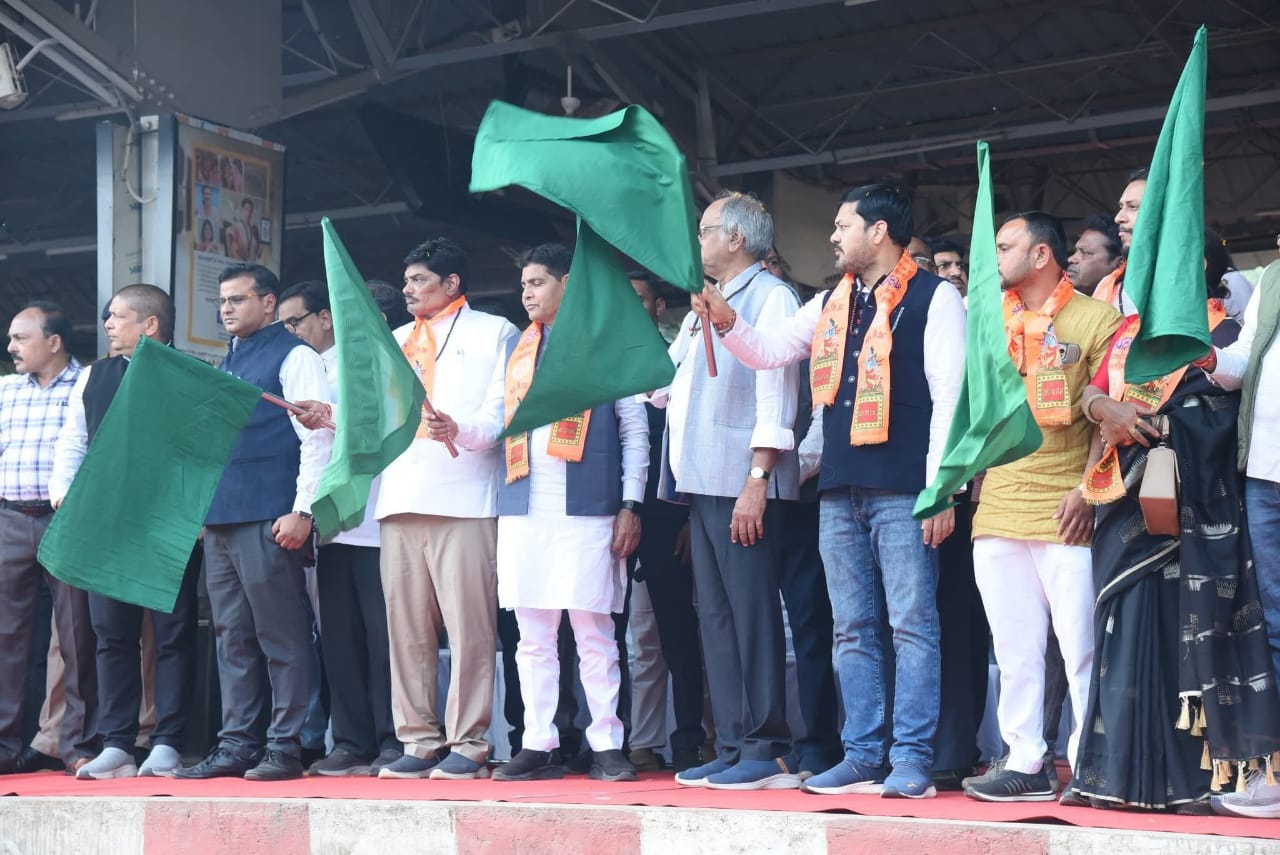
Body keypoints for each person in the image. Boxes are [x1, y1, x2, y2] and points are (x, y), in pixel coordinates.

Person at [695, 184, 965, 799]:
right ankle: (863, 754)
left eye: (844, 226)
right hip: (840, 488)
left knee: (912, 625)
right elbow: (769, 352)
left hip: (906, 488)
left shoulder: (937, 296)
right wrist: (726, 317)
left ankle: (912, 759)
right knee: (851, 627)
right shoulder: (830, 302)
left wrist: (943, 489)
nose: (834, 236)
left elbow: (950, 397)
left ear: (879, 231)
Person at [438, 242, 645, 783]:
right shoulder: (519, 350)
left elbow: (634, 430)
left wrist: (631, 503)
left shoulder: (607, 344)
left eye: (537, 282)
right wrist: (458, 429)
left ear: (567, 285)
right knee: (532, 636)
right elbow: (495, 424)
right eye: (524, 285)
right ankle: (538, 742)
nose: (526, 293)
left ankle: (607, 743)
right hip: (524, 505)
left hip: (590, 507)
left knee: (594, 632)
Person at [1083, 258, 1280, 817]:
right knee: (1124, 640)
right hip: (1129, 514)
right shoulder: (1130, 335)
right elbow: (1092, 395)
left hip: (1196, 523)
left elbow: (1224, 412)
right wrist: (1107, 408)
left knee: (1196, 643)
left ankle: (1192, 783)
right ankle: (1122, 779)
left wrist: (1166, 428)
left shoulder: (1222, 330)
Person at [962, 212, 1120, 803]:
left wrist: (1088, 488)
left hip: (1067, 506)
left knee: (1081, 646)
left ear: (1041, 255)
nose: (994, 257)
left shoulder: (1096, 318)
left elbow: (1110, 412)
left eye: (1005, 246)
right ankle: (1026, 760)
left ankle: (1091, 763)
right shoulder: (989, 321)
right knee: (1015, 649)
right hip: (999, 506)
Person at [652, 191, 804, 792]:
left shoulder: (771, 296)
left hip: (741, 482)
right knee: (715, 616)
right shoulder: (704, 303)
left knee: (752, 612)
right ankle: (734, 741)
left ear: (736, 239)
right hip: (702, 479)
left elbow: (776, 394)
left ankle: (768, 746)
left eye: (705, 230)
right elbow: (665, 384)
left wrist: (757, 480)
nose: (698, 241)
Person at [173, 263, 331, 782]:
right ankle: (237, 744)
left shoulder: (296, 354)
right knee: (232, 637)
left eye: (237, 299)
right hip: (222, 518)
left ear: (268, 303)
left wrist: (303, 510)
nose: (226, 308)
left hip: (270, 515)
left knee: (281, 635)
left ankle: (286, 746)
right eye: (222, 300)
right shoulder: (230, 358)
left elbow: (317, 438)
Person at [371, 238, 517, 780]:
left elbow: (502, 414)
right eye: (406, 280)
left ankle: (470, 742)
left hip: (465, 498)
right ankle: (417, 739)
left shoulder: (495, 331)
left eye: (419, 280)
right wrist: (328, 415)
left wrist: (461, 428)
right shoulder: (395, 340)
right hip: (400, 498)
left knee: (470, 629)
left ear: (451, 283)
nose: (407, 289)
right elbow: (373, 418)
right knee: (407, 632)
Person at [44, 285, 197, 780]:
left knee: (172, 635)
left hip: (169, 524)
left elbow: (205, 451)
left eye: (117, 316)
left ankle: (168, 742)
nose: (107, 324)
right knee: (112, 635)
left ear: (150, 325)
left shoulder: (193, 374)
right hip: (107, 525)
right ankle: (117, 744)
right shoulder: (94, 376)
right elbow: (73, 441)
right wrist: (64, 494)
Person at [277, 280, 400, 776]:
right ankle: (350, 740)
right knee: (339, 639)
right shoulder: (312, 365)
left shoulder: (390, 361)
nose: (291, 332)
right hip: (332, 522)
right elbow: (310, 449)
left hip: (380, 518)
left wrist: (328, 414)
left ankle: (393, 737)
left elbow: (382, 421)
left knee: (383, 636)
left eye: (296, 321)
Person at [0, 302, 97, 775]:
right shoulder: (4, 390)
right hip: (10, 519)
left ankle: (77, 745)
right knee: (6, 637)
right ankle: (5, 746)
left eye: (21, 338)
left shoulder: (87, 386)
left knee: (78, 635)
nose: (11, 347)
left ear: (53, 342)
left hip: (68, 522)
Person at [625, 270, 704, 773]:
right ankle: (634, 742)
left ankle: (690, 742)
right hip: (616, 520)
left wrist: (691, 517)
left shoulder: (679, 360)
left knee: (679, 637)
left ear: (659, 308)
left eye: (639, 299)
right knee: (634, 643)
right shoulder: (602, 366)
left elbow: (690, 444)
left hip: (669, 519)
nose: (628, 308)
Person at [1093, 169, 1147, 315]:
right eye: (1121, 207)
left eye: (1133, 206)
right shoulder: (1109, 285)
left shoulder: (1192, 279)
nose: (1118, 218)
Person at [1066, 215, 1123, 297]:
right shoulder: (1056, 300)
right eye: (1075, 251)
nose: (1071, 259)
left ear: (1119, 264)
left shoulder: (1126, 304)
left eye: (1086, 252)